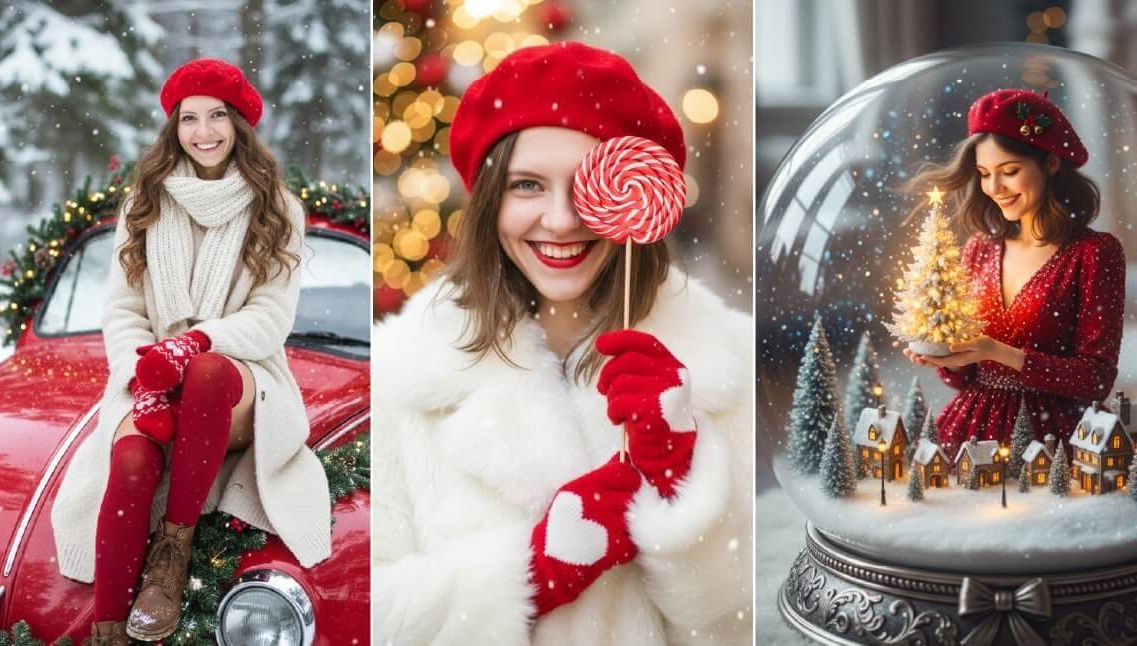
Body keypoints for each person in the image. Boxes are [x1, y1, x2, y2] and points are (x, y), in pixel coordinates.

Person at [373, 42, 752, 645]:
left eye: (585, 186)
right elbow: (372, 612)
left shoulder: (726, 361)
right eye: (527, 185)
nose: (559, 220)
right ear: (490, 200)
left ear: (634, 197)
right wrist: (534, 567)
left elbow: (745, 626)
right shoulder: (400, 372)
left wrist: (685, 491)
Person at [50, 59, 331, 645]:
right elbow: (123, 310)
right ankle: (108, 632)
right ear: (173, 127)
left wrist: (195, 340)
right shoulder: (146, 202)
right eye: (190, 119)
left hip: (241, 376)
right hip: (150, 373)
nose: (204, 132)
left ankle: (171, 556)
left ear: (241, 124)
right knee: (127, 463)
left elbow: (271, 319)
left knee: (205, 372)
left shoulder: (277, 207)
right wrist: (144, 378)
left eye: (218, 116)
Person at [903, 88, 1125, 455]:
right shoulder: (980, 247)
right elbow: (964, 380)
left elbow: (1096, 379)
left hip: (1053, 435)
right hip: (971, 429)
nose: (994, 188)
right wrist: (948, 359)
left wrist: (999, 352)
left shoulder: (1095, 253)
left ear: (1051, 163)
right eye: (984, 173)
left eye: (1009, 171)